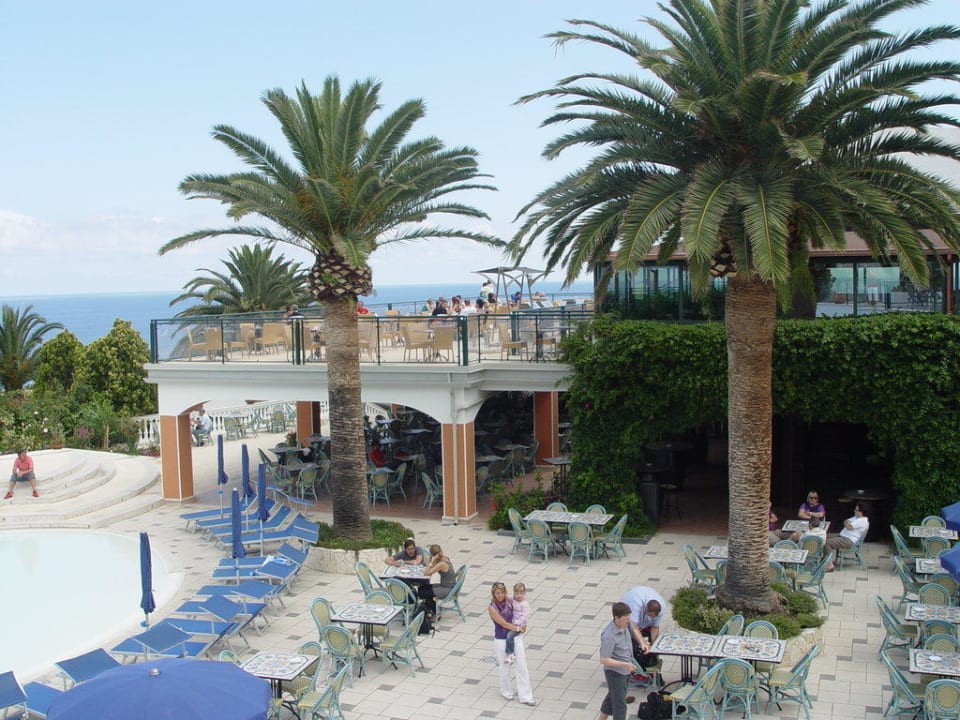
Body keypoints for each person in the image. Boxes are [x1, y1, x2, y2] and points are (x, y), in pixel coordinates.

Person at [488, 581, 536, 705]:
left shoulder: (510, 601)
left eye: (502, 592)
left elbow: (521, 613)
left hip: (516, 637)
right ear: (493, 594)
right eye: (497, 593)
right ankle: (506, 691)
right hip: (501, 639)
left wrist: (523, 625)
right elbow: (503, 623)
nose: (500, 595)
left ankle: (526, 696)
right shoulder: (492, 607)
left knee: (522, 666)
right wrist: (518, 628)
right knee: (505, 667)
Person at [596, 601, 639, 720]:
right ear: (616, 618)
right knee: (620, 705)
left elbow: (634, 629)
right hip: (615, 673)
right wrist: (624, 664)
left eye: (629, 618)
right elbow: (604, 659)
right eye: (625, 619)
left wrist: (643, 643)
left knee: (612, 696)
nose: (628, 621)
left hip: (625, 670)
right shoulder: (609, 636)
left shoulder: (624, 626)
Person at [620, 585, 664, 676]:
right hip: (628, 607)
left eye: (653, 617)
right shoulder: (635, 604)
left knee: (651, 646)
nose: (651, 618)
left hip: (643, 610)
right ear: (645, 610)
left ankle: (650, 667)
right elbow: (633, 627)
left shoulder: (661, 608)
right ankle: (633, 669)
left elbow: (655, 627)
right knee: (632, 642)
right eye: (650, 616)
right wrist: (643, 643)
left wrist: (654, 647)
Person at [825, 502, 869, 571]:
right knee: (824, 536)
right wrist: (847, 523)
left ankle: (829, 565)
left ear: (861, 512)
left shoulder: (862, 521)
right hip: (842, 536)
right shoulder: (856, 517)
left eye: (856, 510)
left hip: (848, 540)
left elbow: (849, 527)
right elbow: (845, 521)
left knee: (827, 543)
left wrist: (847, 524)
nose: (854, 511)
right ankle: (824, 559)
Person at [417, 544, 457, 618]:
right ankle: (431, 608)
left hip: (447, 588)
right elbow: (430, 569)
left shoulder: (442, 564)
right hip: (447, 585)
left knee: (423, 593)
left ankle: (435, 612)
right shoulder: (444, 557)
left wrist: (432, 561)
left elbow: (426, 573)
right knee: (421, 588)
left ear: (432, 554)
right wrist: (432, 561)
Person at [504, 581, 530, 664]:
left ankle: (511, 654)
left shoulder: (524, 604)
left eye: (521, 593)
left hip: (519, 625)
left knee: (509, 636)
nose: (519, 595)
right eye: (517, 593)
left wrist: (516, 623)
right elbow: (507, 597)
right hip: (512, 622)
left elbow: (524, 617)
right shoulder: (513, 599)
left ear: (524, 593)